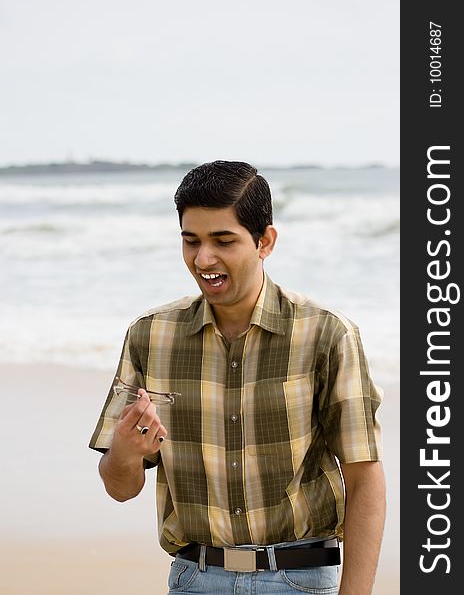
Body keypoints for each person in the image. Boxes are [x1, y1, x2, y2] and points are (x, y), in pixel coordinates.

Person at [89, 160, 386, 595]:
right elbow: (121, 487)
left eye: (223, 241)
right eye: (191, 241)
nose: (203, 259)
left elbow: (365, 478)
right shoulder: (150, 337)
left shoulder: (326, 334)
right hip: (193, 579)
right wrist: (124, 454)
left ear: (265, 241)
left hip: (300, 580)